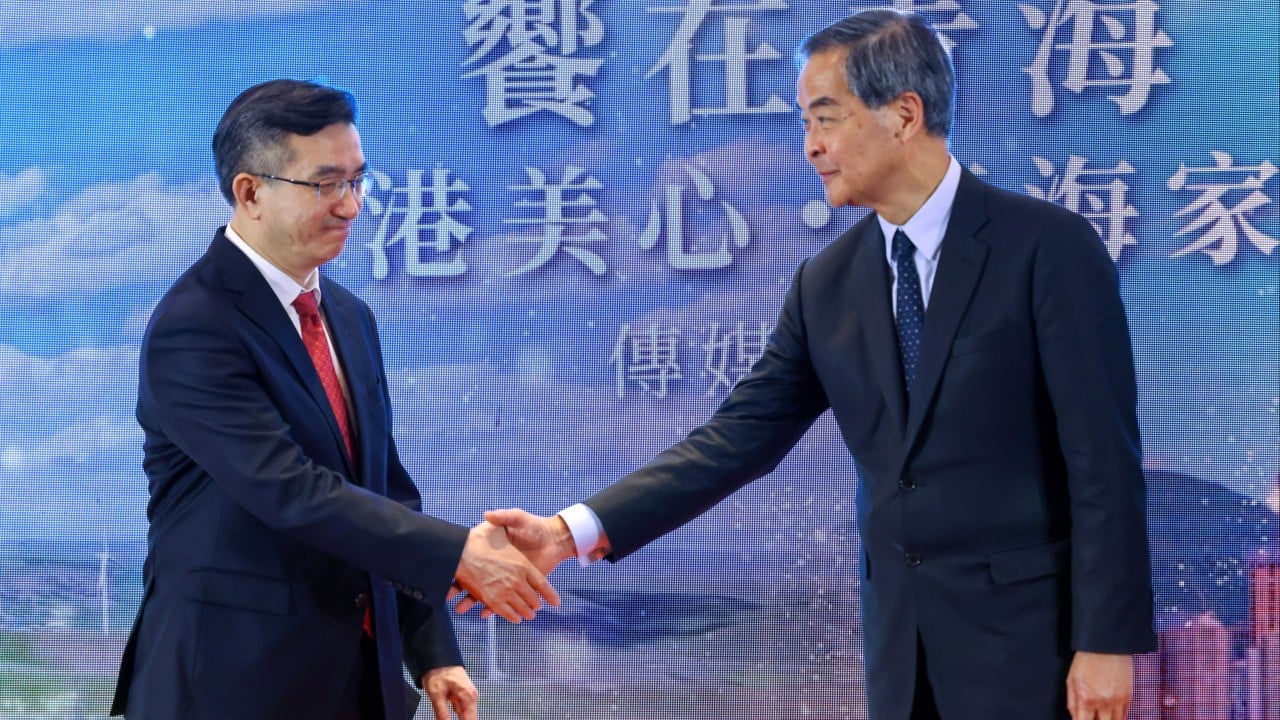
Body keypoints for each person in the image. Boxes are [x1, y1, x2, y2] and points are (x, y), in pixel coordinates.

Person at [464, 10, 1155, 720]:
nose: (811, 146)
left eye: (826, 119)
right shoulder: (827, 283)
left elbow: (1103, 461)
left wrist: (1107, 641)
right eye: (805, 123)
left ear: (905, 114)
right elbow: (736, 438)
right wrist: (568, 532)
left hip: (1034, 651)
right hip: (902, 657)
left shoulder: (1046, 248)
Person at [111, 79, 558, 720]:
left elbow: (384, 490)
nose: (351, 206)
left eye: (358, 180)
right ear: (250, 192)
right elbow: (291, 490)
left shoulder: (348, 316)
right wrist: (459, 554)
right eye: (326, 185)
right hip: (230, 684)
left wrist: (432, 650)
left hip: (359, 681)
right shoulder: (195, 325)